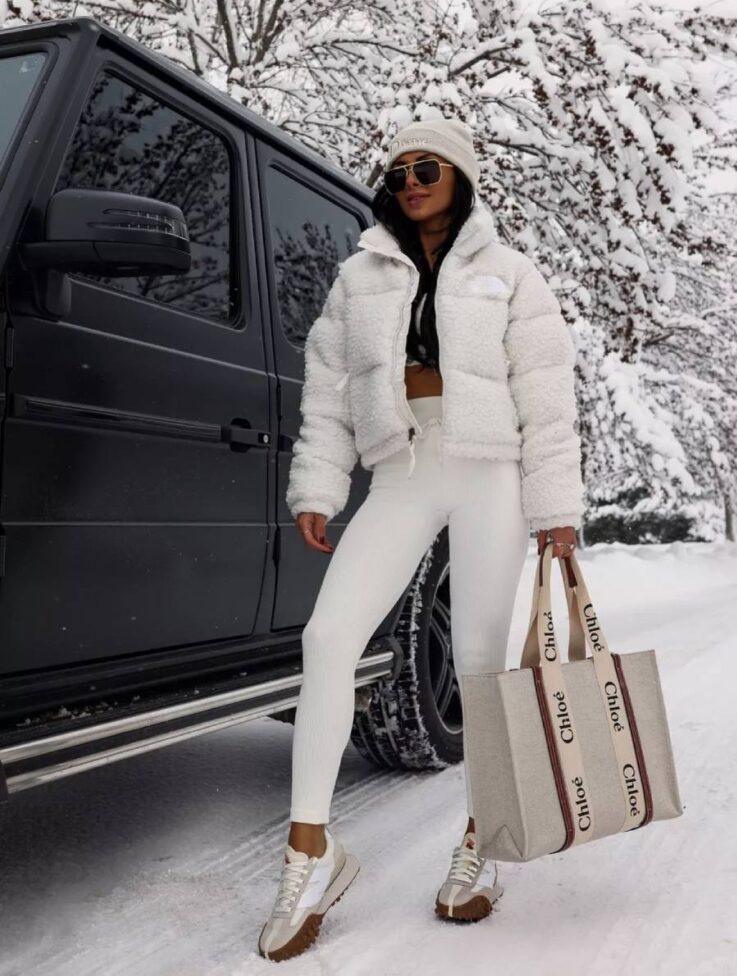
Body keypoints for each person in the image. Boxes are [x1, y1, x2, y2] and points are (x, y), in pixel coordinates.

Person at [258, 117, 583, 962]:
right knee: (327, 639)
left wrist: (556, 510)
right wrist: (320, 485)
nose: (409, 180)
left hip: (492, 471)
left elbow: (546, 393)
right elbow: (327, 389)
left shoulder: (509, 274)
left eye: (426, 166)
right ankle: (311, 853)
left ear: (461, 177)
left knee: (478, 664)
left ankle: (479, 845)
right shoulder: (359, 275)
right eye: (397, 170)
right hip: (401, 468)